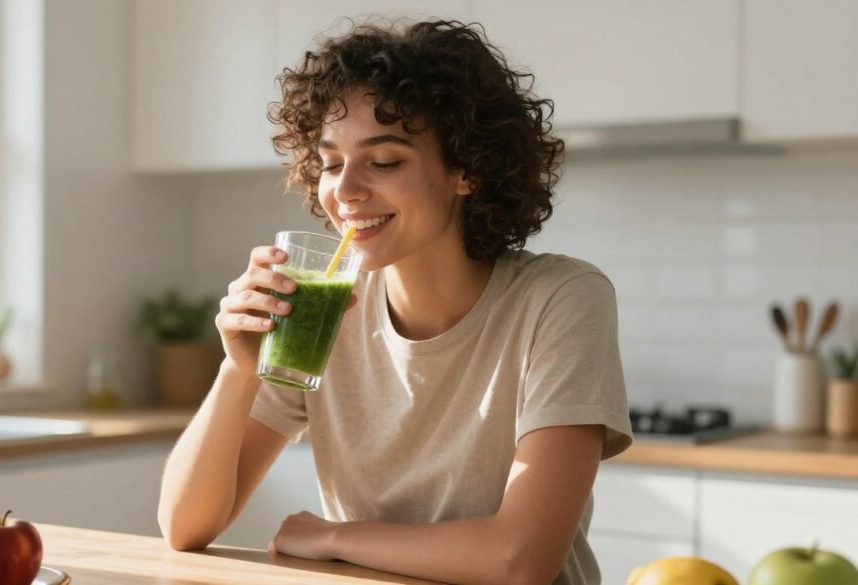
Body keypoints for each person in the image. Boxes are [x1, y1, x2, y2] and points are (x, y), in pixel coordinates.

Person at [157, 20, 633, 585]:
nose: (346, 190)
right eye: (331, 163)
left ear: (467, 168)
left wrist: (333, 537)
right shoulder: (323, 310)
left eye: (384, 161)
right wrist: (237, 371)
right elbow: (185, 526)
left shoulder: (561, 298)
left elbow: (520, 560)